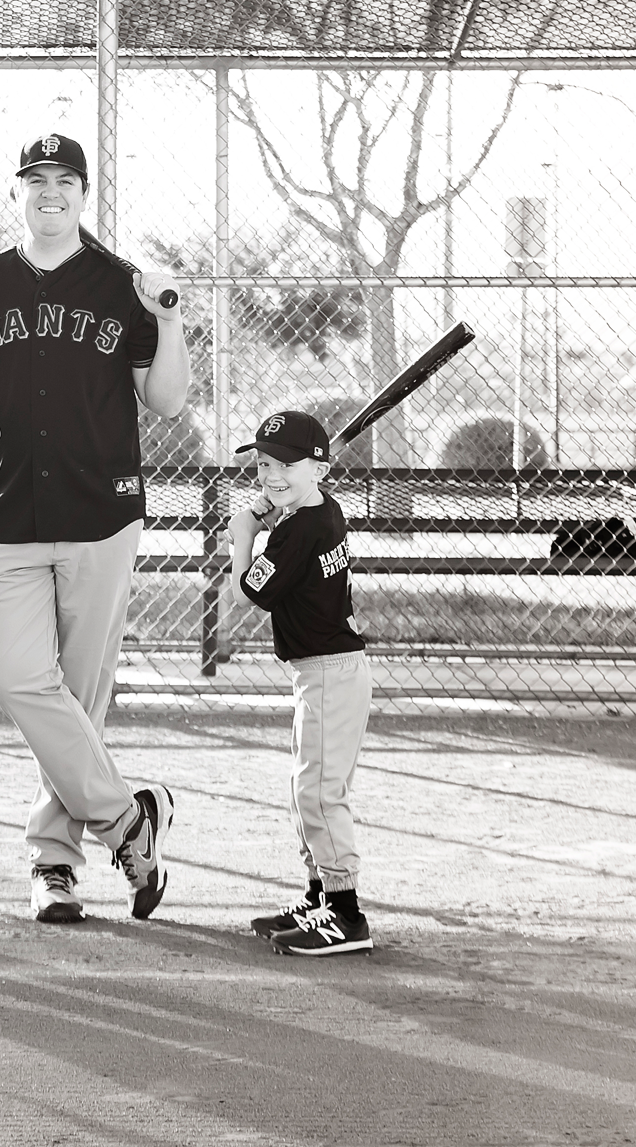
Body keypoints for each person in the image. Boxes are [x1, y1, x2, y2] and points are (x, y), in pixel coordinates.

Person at [0, 132, 189, 923]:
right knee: (16, 680)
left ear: (82, 194)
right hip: (6, 514)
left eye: (64, 180)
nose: (49, 193)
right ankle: (126, 818)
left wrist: (168, 320)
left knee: (78, 697)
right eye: (35, 180)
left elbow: (165, 401)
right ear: (16, 193)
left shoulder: (120, 284)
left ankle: (53, 862)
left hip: (100, 513)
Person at [226, 409, 374, 956]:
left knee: (317, 794)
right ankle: (320, 898)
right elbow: (294, 523)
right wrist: (275, 514)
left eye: (287, 464)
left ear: (320, 468)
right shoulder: (322, 509)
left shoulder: (301, 528)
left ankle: (345, 915)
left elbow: (248, 592)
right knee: (306, 790)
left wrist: (244, 534)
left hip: (329, 675)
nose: (271, 475)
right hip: (327, 672)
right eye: (264, 464)